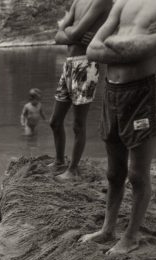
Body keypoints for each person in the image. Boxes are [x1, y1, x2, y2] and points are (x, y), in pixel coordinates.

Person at [80, 0, 156, 254]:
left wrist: (111, 42)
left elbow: (150, 48)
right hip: (112, 92)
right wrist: (128, 44)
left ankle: (131, 237)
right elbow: (91, 50)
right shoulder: (123, 1)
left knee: (137, 174)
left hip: (142, 93)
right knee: (114, 172)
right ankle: (108, 229)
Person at [50, 0, 112, 182]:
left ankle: (73, 169)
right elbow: (57, 37)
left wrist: (68, 32)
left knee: (78, 124)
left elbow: (71, 32)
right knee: (55, 121)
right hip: (69, 65)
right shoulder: (78, 1)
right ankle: (60, 161)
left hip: (86, 64)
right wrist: (73, 36)